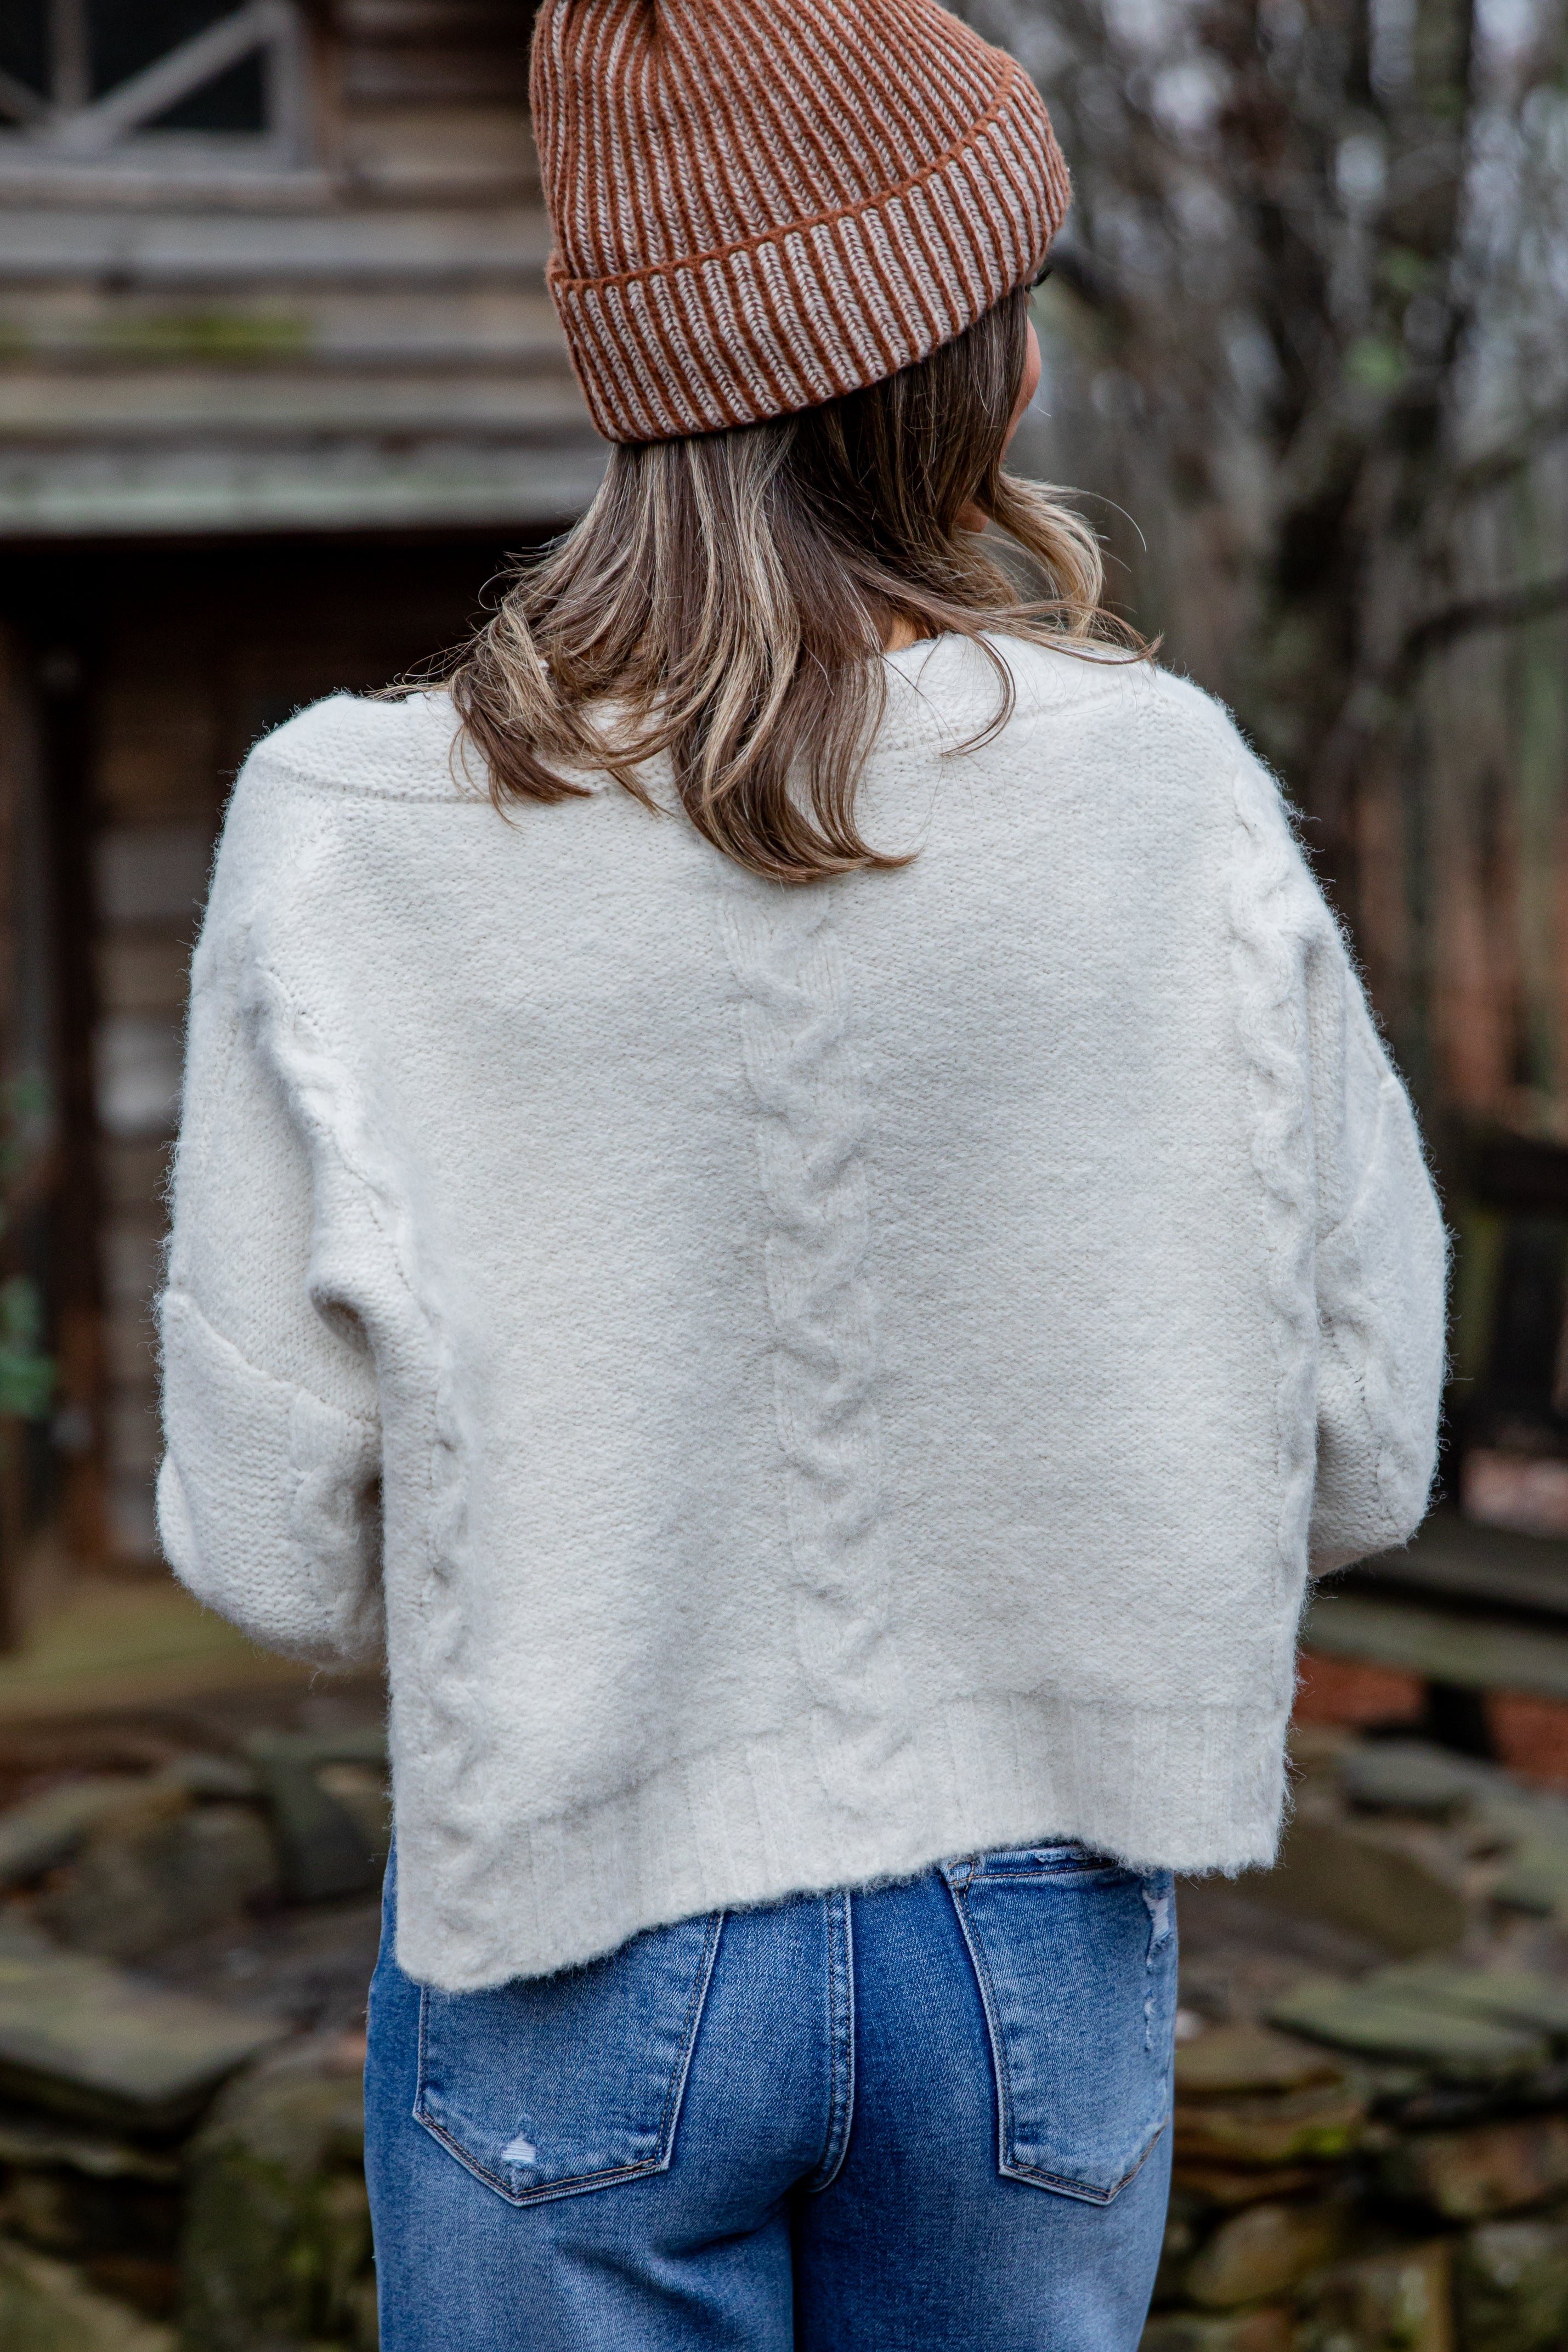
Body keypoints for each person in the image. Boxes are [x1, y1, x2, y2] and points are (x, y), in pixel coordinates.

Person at [156, 1, 1447, 2344]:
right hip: (1036, 1937)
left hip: (579, 1925)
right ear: (964, 373)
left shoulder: (343, 827)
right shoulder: (1167, 795)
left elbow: (265, 1551)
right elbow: (1354, 1454)